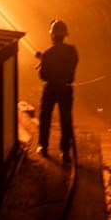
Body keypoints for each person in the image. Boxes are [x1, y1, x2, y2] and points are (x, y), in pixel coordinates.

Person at [35, 19, 79, 161]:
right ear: (64, 35)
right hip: (66, 89)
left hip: (51, 89)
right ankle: (65, 151)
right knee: (66, 118)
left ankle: (43, 146)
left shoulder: (48, 54)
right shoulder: (72, 51)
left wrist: (42, 62)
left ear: (52, 35)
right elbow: (70, 66)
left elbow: (43, 75)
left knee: (45, 117)